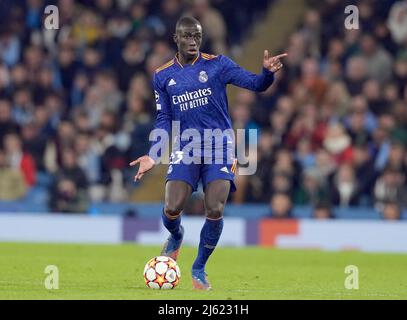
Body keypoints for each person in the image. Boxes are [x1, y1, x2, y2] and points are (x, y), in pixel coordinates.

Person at [130, 16, 286, 290]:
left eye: (197, 36)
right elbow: (164, 118)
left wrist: (267, 74)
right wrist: (153, 155)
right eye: (187, 36)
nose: (193, 41)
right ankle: (176, 236)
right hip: (186, 148)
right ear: (175, 38)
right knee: (172, 207)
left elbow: (255, 84)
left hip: (220, 147)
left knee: (214, 208)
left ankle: (199, 268)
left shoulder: (218, 65)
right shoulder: (162, 75)